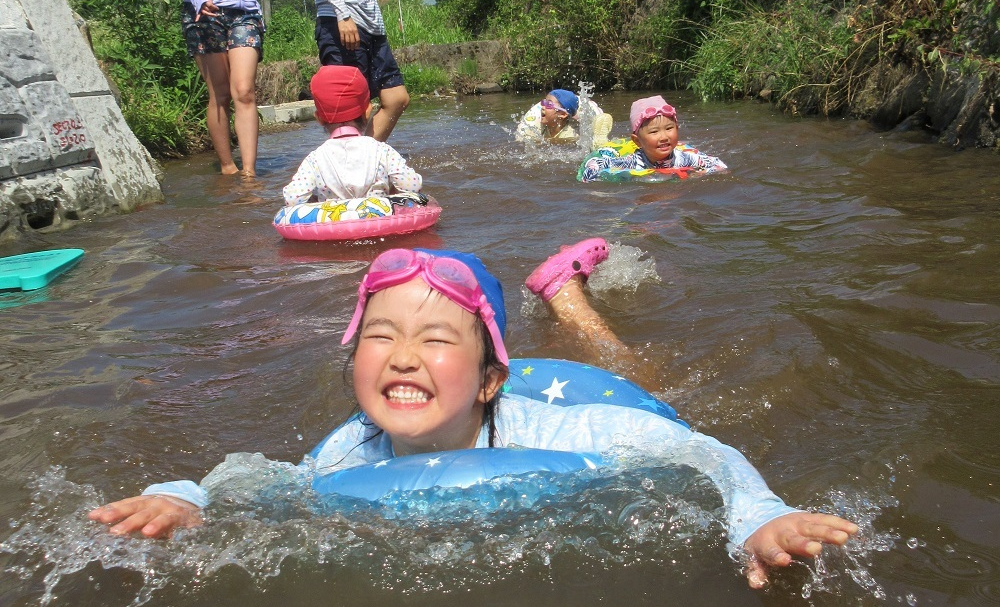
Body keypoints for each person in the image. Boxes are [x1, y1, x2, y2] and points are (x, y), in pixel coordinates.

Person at [88, 238, 858, 589]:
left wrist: (754, 515)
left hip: (580, 390)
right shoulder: (347, 453)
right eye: (378, 337)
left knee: (635, 372)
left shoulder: (575, 432)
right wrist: (186, 498)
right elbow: (250, 476)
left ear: (490, 380)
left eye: (432, 340)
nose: (399, 356)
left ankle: (569, 298)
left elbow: (701, 451)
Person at [162, 0, 264, 177]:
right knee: (220, 93)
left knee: (244, 90)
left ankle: (249, 175)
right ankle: (228, 168)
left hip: (244, 12)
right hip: (204, 11)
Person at [304, 0, 409, 142]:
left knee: (397, 98)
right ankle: (348, 165)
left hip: (369, 23)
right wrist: (342, 14)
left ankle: (364, 158)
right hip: (341, 22)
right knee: (348, 114)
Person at [281, 66, 422, 206]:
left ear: (319, 119)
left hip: (335, 224)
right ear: (367, 112)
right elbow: (412, 186)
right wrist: (392, 192)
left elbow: (293, 198)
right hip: (379, 221)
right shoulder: (381, 151)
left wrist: (314, 203)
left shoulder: (315, 159)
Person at [579, 96, 728, 182]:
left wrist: (700, 173)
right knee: (602, 148)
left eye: (669, 129)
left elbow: (718, 165)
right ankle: (599, 139)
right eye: (654, 131)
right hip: (617, 153)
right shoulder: (633, 162)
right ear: (637, 141)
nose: (663, 137)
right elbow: (594, 165)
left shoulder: (684, 159)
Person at [516, 89, 614, 150]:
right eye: (543, 102)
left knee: (594, 147)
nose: (542, 107)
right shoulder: (538, 127)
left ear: (562, 114)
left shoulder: (574, 134)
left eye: (548, 104)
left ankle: (600, 139)